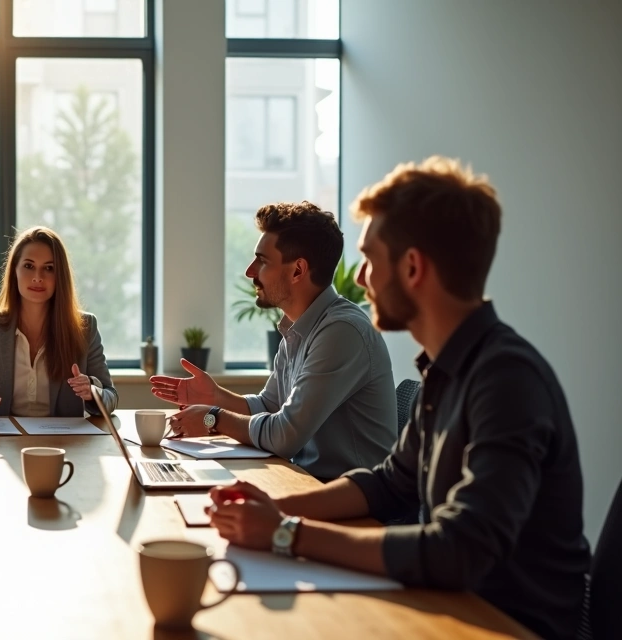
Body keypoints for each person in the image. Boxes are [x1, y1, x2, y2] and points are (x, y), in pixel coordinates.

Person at [207, 158, 591, 640]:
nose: (361, 279)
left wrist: (287, 535)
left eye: (369, 259)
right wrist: (279, 508)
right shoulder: (449, 370)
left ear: (412, 267)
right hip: (447, 607)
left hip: (502, 625)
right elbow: (390, 483)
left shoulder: (507, 379)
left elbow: (460, 548)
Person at [150, 202, 395, 481]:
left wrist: (213, 418)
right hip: (306, 483)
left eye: (262, 261)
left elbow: (284, 435)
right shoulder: (298, 326)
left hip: (355, 508)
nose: (250, 271)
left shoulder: (342, 331)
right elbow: (270, 406)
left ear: (297, 271)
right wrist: (216, 397)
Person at [0, 226, 117, 418]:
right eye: (28, 266)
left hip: (64, 444)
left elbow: (111, 395)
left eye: (49, 268)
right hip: (4, 440)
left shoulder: (85, 327)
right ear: (14, 271)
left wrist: (92, 391)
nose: (37, 277)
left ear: (60, 276)